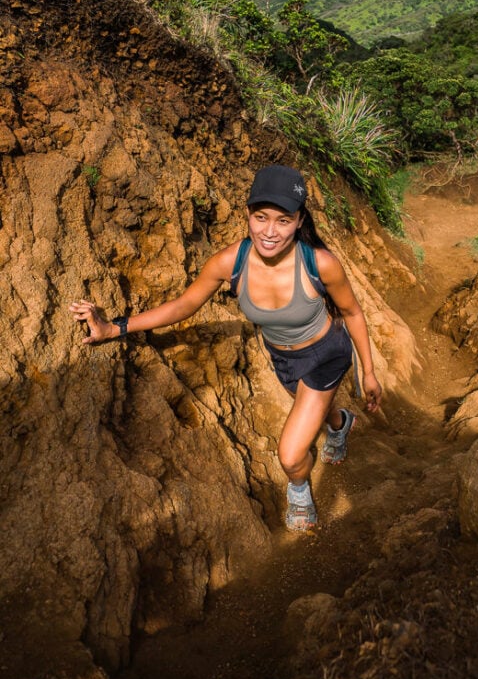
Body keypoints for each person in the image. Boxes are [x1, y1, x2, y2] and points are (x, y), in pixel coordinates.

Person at [69, 165, 382, 534]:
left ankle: (299, 490)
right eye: (261, 217)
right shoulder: (229, 263)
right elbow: (183, 306)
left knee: (291, 453)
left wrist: (368, 371)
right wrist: (114, 328)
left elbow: (352, 312)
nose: (270, 231)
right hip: (283, 358)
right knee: (317, 409)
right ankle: (341, 423)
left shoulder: (320, 263)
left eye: (283, 220)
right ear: (247, 214)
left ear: (299, 221)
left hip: (325, 355)